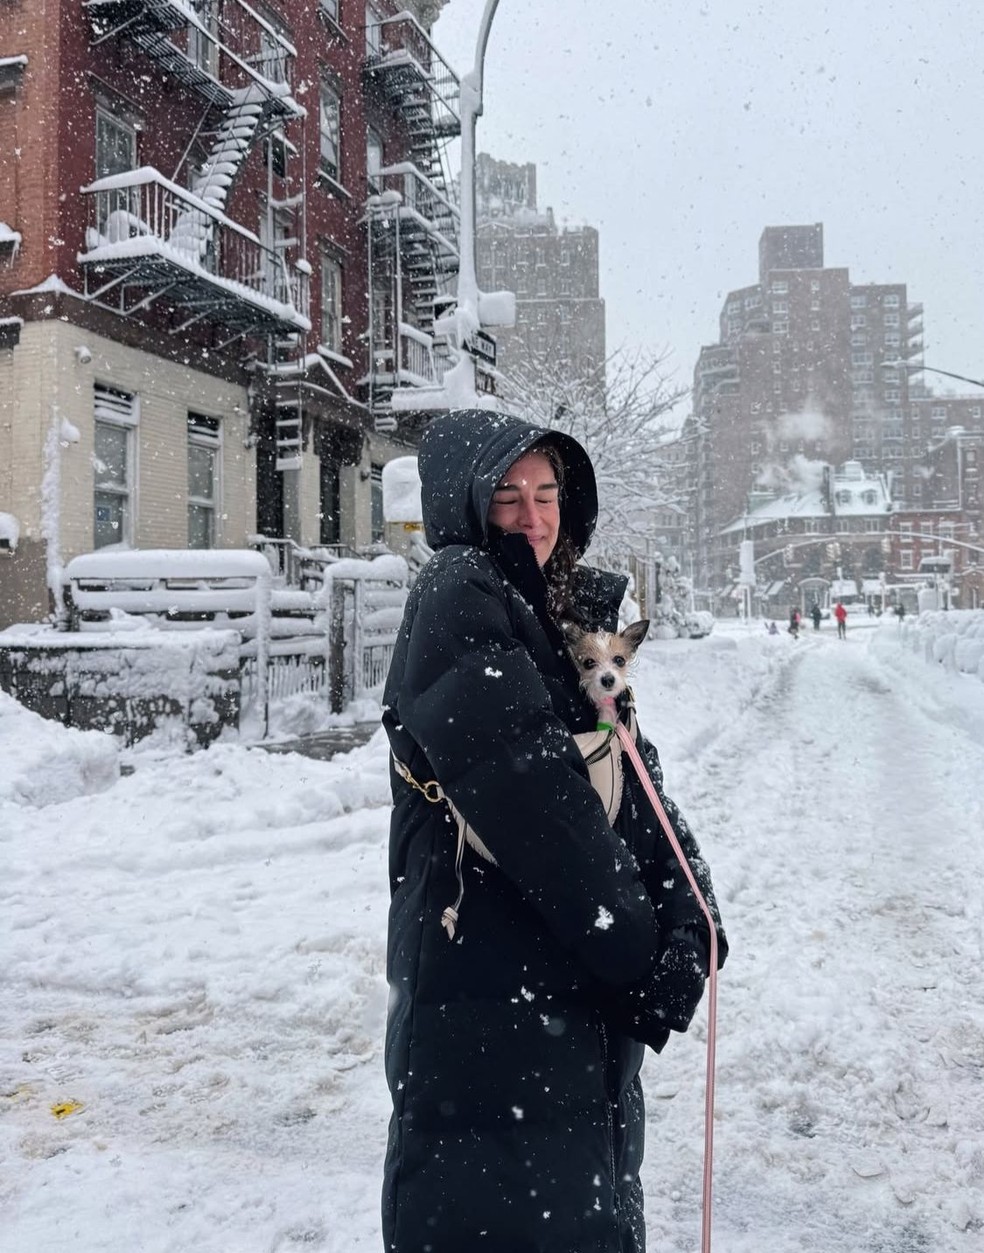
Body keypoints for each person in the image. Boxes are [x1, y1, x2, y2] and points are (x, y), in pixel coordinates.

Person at [381, 411, 728, 1253]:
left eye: (547, 494)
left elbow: (633, 782)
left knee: (582, 1208)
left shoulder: (563, 616)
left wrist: (693, 911)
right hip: (491, 1010)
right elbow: (539, 807)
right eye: (508, 495)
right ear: (466, 504)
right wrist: (642, 956)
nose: (533, 515)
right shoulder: (458, 591)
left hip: (567, 1016)